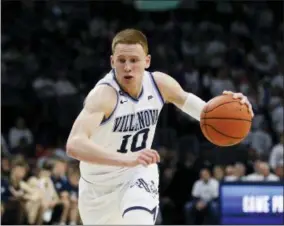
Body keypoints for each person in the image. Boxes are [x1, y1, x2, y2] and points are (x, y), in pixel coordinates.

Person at [66, 28, 254, 225]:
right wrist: (125, 159)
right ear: (112, 62)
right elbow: (74, 144)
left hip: (137, 172)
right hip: (97, 189)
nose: (128, 67)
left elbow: (204, 112)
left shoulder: (159, 84)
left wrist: (232, 107)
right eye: (122, 61)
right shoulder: (103, 95)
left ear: (147, 61)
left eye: (134, 60)